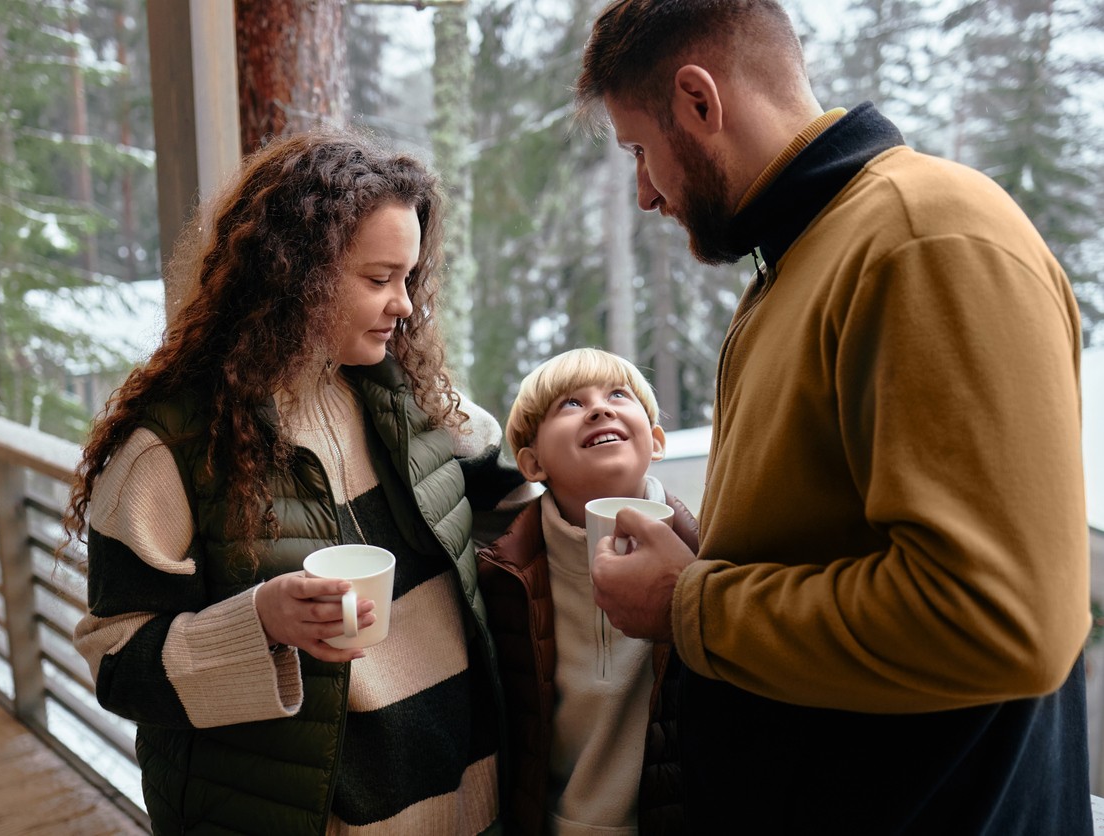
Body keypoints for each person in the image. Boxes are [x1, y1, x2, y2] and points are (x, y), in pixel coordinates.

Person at [573, 2, 1092, 834]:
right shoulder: (803, 258)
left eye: (640, 150)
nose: (643, 194)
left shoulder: (925, 240)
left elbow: (999, 622)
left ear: (699, 101)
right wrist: (718, 554)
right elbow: (844, 534)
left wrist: (688, 603)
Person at [60, 129, 525, 835]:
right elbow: (118, 663)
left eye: (408, 278)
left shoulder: (411, 397)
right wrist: (262, 623)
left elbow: (519, 501)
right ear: (295, 276)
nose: (404, 304)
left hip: (466, 801)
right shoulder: (171, 448)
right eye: (378, 279)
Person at [478, 347, 696, 835]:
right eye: (571, 404)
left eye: (618, 395)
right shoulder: (502, 577)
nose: (600, 409)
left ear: (656, 441)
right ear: (532, 463)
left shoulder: (709, 559)